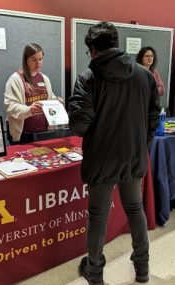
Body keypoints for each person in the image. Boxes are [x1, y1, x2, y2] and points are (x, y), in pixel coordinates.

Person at [68, 22, 161, 285]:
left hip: (101, 159)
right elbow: (154, 115)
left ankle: (95, 273)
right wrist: (142, 144)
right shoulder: (144, 75)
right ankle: (142, 268)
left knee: (98, 215)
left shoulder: (88, 77)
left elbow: (79, 125)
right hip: (133, 155)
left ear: (93, 50)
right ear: (116, 44)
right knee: (135, 209)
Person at [4, 43, 63, 145]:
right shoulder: (15, 79)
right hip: (23, 134)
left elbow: (49, 100)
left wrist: (56, 102)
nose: (38, 63)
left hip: (43, 132)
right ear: (26, 59)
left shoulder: (45, 79)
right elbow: (10, 107)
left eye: (40, 59)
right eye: (34, 59)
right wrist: (29, 109)